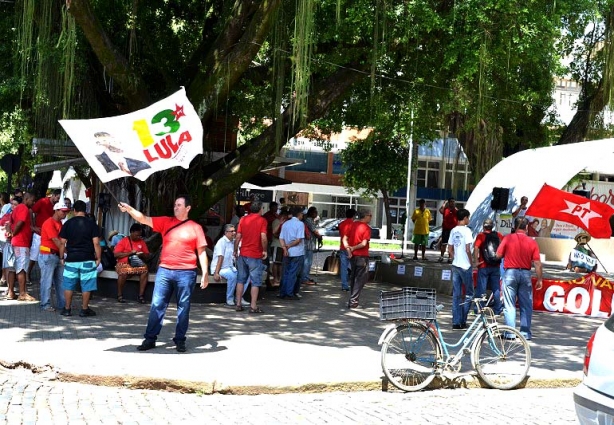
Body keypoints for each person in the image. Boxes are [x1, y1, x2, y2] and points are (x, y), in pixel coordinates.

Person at [119, 195, 209, 353]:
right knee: (157, 305)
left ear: (188, 208)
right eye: (175, 204)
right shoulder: (166, 221)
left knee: (183, 307)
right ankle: (150, 339)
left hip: (187, 272)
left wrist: (206, 273)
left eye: (179, 205)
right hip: (165, 270)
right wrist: (129, 209)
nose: (176, 207)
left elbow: (201, 252)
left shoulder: (195, 227)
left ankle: (180, 340)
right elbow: (144, 219)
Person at [496, 216, 543, 340]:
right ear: (527, 227)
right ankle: (525, 333)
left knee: (509, 305)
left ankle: (510, 334)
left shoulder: (508, 238)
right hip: (526, 274)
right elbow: (537, 263)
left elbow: (498, 254)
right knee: (526, 305)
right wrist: (539, 279)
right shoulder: (532, 242)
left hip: (510, 273)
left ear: (514, 226)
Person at [58, 200, 101, 317]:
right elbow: (96, 243)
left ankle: (67, 309)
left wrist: (62, 257)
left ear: (74, 210)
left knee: (68, 284)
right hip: (88, 258)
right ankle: (84, 309)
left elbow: (62, 243)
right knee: (87, 284)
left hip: (71, 259)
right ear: (85, 211)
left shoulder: (67, 224)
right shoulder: (92, 224)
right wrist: (98, 258)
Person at [234, 201, 267, 313]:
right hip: (255, 254)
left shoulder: (243, 219)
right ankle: (253, 306)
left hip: (243, 253)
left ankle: (238, 304)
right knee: (255, 281)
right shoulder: (262, 220)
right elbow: (263, 237)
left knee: (240, 280)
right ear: (260, 210)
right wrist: (265, 250)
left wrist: (235, 250)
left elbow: (238, 236)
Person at [38, 201, 71, 312]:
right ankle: (45, 304)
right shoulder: (49, 223)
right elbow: (57, 241)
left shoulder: (59, 224)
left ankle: (62, 304)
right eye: (63, 211)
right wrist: (66, 252)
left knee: (59, 282)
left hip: (56, 255)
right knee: (47, 281)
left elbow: (60, 241)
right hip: (48, 255)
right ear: (56, 210)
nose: (65, 214)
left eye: (66, 211)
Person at [448, 208, 474, 329]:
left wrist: (455, 258)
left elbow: (449, 249)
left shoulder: (453, 230)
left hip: (456, 265)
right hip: (465, 266)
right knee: (469, 294)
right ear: (464, 218)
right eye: (468, 217)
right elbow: (468, 249)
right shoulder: (467, 231)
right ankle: (463, 320)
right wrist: (471, 261)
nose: (468, 220)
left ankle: (455, 322)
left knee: (456, 294)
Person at [113, 223, 151, 304]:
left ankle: (140, 295)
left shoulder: (142, 242)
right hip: (123, 264)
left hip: (136, 265)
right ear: (132, 232)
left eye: (140, 235)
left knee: (145, 270)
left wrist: (142, 254)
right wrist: (130, 253)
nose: (139, 237)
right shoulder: (124, 241)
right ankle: (119, 295)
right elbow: (116, 255)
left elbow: (147, 256)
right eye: (137, 235)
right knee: (123, 272)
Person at [29, 189, 61, 284]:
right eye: (58, 198)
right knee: (33, 256)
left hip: (48, 235)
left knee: (46, 254)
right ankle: (27, 274)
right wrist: (33, 225)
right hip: (39, 233)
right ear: (54, 195)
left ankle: (46, 277)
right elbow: (32, 210)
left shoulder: (55, 206)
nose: (58, 200)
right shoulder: (43, 201)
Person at [472, 218, 503, 315]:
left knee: (481, 288)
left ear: (483, 226)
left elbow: (476, 247)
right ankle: (497, 309)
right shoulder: (498, 235)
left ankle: (479, 309)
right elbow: (503, 247)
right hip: (496, 265)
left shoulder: (481, 236)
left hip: (483, 265)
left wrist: (476, 261)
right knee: (496, 288)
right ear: (492, 226)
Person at [9, 192, 36, 301]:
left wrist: (12, 233)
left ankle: (14, 292)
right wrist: (14, 233)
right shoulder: (24, 208)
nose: (33, 203)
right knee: (21, 268)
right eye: (32, 200)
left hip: (17, 242)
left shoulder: (16, 208)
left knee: (14, 267)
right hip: (21, 242)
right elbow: (20, 223)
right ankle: (22, 293)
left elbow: (10, 223)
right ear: (26, 199)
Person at [343, 209, 372, 309]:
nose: (371, 217)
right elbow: (364, 244)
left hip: (353, 256)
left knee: (353, 278)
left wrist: (349, 250)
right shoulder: (366, 228)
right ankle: (353, 301)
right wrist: (353, 248)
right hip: (362, 256)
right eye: (370, 215)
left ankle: (352, 299)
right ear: (365, 216)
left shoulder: (352, 225)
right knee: (360, 279)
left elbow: (344, 239)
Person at [211, 224, 246, 307]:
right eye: (231, 231)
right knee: (232, 275)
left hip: (230, 267)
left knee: (244, 275)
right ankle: (229, 298)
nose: (234, 233)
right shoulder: (221, 242)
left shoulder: (233, 242)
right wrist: (216, 273)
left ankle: (239, 297)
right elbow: (220, 258)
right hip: (220, 268)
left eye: (234, 231)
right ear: (226, 232)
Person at [278, 206, 305, 299]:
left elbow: (281, 238)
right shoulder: (300, 224)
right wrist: (289, 246)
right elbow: (298, 240)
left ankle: (282, 292)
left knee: (285, 272)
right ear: (299, 214)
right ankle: (290, 292)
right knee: (293, 273)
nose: (302, 215)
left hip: (286, 252)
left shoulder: (285, 224)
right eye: (302, 214)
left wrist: (285, 248)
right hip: (297, 252)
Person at [301, 206, 322, 286]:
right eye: (315, 212)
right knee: (307, 262)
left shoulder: (311, 220)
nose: (316, 214)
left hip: (310, 243)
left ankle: (305, 276)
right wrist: (320, 236)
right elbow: (314, 231)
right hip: (308, 244)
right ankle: (304, 278)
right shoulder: (309, 220)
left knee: (308, 262)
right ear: (311, 212)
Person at [270, 207, 290, 287]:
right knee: (276, 263)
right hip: (276, 244)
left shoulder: (286, 223)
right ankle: (275, 278)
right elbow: (274, 233)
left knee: (280, 263)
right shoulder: (277, 222)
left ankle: (280, 278)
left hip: (282, 245)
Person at [338, 208, 356, 291]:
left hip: (342, 247)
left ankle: (344, 285)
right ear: (353, 215)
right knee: (354, 266)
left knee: (343, 267)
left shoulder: (341, 224)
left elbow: (341, 235)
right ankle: (354, 284)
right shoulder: (354, 225)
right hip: (352, 248)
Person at [438, 198, 458, 263]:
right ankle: (441, 257)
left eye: (453, 202)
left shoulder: (456, 210)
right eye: (451, 202)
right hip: (446, 229)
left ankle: (450, 258)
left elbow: (460, 215)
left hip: (453, 230)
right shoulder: (446, 210)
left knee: (451, 244)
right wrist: (444, 204)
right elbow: (440, 210)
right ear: (449, 203)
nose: (452, 203)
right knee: (444, 244)